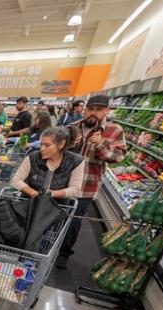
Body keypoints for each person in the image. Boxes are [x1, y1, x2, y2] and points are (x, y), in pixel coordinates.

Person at [57, 94, 126, 268]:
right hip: (64, 182)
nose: (93, 113)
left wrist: (101, 144)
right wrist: (70, 146)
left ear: (106, 111)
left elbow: (117, 158)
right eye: (90, 109)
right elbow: (58, 154)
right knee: (55, 214)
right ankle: (48, 245)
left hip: (87, 186)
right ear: (84, 110)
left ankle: (64, 253)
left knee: (74, 221)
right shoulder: (72, 127)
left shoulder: (115, 130)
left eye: (98, 109)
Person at [11, 126, 84, 199]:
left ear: (61, 144)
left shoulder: (75, 161)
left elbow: (75, 190)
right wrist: (32, 192)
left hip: (58, 206)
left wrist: (50, 194)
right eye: (41, 144)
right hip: (28, 203)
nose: (42, 149)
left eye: (47, 145)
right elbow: (16, 180)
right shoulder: (33, 157)